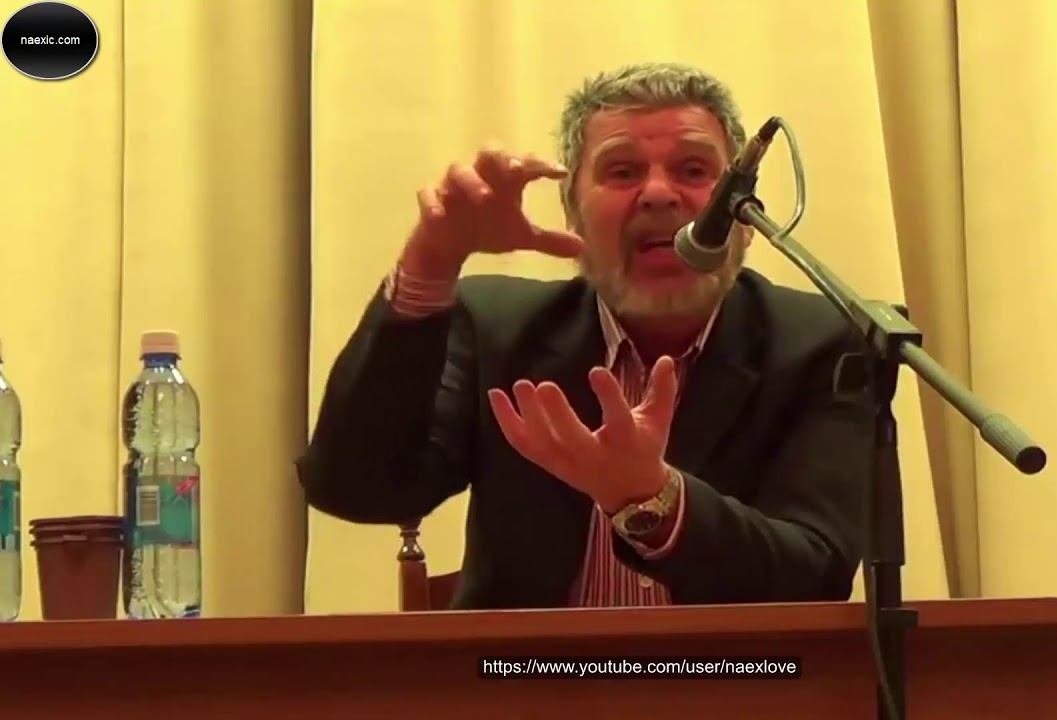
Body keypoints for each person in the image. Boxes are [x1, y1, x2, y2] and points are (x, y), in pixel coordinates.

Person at [297, 62, 875, 609]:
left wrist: (654, 502)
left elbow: (815, 574)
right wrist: (430, 263)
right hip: (528, 675)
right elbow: (358, 489)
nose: (658, 193)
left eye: (694, 171)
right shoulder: (497, 328)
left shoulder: (827, 342)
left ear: (745, 215)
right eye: (622, 172)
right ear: (571, 210)